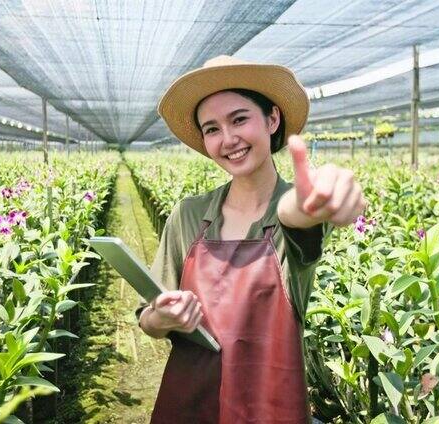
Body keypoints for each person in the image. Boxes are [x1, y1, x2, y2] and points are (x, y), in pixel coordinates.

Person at [137, 55, 366, 423]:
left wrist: (310, 202)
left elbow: (295, 215)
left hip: (268, 406)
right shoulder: (189, 215)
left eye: (239, 119)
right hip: (190, 403)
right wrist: (162, 317)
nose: (228, 139)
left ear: (272, 119)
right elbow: (148, 322)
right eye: (211, 129)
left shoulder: (293, 215)